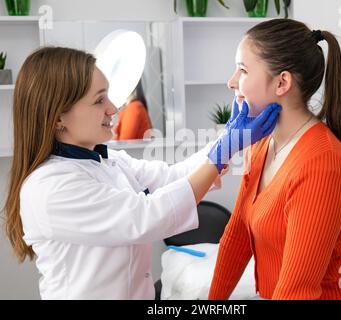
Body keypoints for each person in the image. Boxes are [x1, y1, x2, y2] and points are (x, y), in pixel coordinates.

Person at [3, 46, 281, 299]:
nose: (113, 108)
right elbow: (146, 216)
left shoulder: (108, 160)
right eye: (99, 101)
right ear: (58, 118)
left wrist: (226, 143)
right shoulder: (49, 188)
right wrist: (224, 149)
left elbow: (173, 176)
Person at [208, 19, 341, 300]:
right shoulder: (261, 144)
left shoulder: (321, 164)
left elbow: (297, 290)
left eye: (243, 70)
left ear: (282, 82)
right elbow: (237, 236)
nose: (232, 81)